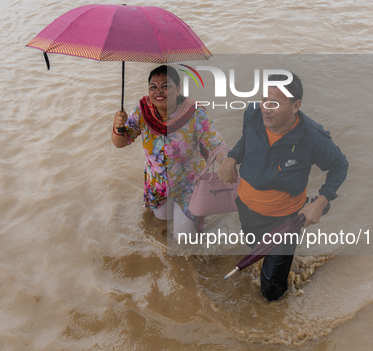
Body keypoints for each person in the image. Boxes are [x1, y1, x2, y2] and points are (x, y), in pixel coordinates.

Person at [218, 73, 348, 301]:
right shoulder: (252, 113)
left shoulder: (312, 137)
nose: (266, 108)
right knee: (255, 250)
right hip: (247, 210)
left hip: (285, 221)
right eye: (265, 100)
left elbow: (340, 165)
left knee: (270, 290)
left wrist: (320, 201)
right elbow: (245, 140)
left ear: (296, 105)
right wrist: (231, 158)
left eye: (275, 103)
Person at [111, 65, 227, 237]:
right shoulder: (142, 111)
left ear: (178, 89)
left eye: (165, 86)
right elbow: (121, 143)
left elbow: (215, 144)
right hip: (157, 185)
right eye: (153, 86)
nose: (159, 91)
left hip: (188, 186)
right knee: (159, 229)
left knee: (184, 240)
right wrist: (118, 127)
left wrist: (227, 162)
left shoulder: (194, 113)